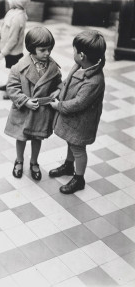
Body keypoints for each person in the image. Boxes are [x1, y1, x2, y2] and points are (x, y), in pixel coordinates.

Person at [49, 30, 106, 194]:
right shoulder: (82, 66)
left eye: (74, 50)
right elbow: (68, 82)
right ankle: (68, 165)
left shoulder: (94, 81)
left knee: (78, 148)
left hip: (81, 121)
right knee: (71, 140)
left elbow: (78, 103)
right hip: (73, 120)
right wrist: (59, 90)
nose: (73, 52)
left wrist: (58, 105)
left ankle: (79, 178)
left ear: (81, 55)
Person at [4, 27, 62, 181]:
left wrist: (58, 90)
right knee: (21, 137)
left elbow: (59, 83)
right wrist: (25, 101)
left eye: (49, 49)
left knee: (38, 138)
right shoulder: (19, 67)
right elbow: (11, 88)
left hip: (41, 111)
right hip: (24, 110)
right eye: (42, 50)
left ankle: (34, 162)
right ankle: (19, 160)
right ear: (31, 48)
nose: (47, 53)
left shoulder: (53, 67)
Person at [0, 0, 29, 99]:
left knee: (15, 73)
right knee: (12, 72)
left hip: (13, 52)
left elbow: (13, 39)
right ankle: (8, 85)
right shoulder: (12, 12)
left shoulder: (18, 17)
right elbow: (4, 30)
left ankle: (12, 91)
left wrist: (4, 52)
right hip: (9, 50)